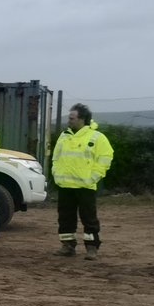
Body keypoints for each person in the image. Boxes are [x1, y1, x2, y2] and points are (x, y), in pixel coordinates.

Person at [51, 102, 114, 260]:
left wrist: (94, 176)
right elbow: (56, 157)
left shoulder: (97, 137)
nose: (69, 121)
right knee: (65, 217)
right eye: (69, 118)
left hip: (85, 185)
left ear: (82, 119)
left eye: (72, 118)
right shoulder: (64, 136)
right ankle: (67, 246)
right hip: (65, 185)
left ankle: (91, 248)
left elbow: (105, 158)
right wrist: (56, 173)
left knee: (89, 218)